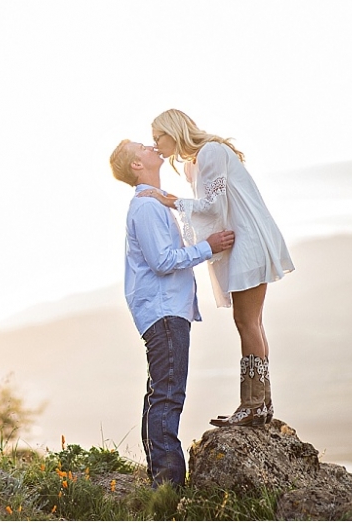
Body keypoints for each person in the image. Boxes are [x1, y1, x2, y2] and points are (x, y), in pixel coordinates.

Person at [142, 109, 295, 429]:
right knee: (251, 321)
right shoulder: (190, 165)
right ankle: (261, 405)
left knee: (247, 321)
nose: (156, 144)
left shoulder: (210, 151)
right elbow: (211, 212)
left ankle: (253, 405)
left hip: (248, 240)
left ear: (174, 131)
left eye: (159, 137)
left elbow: (215, 207)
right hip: (237, 241)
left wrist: (171, 201)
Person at [110, 139, 235, 488]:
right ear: (137, 165)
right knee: (168, 396)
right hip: (164, 313)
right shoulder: (147, 208)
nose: (152, 146)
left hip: (165, 311)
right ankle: (167, 486)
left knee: (161, 394)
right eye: (142, 146)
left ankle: (161, 481)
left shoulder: (154, 203)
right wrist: (207, 248)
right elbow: (163, 262)